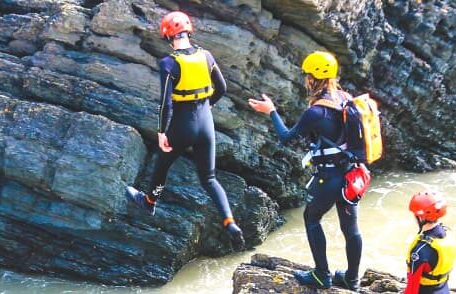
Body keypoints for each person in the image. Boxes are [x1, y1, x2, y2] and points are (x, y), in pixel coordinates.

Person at [124, 11, 244, 250]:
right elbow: (222, 88)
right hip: (205, 123)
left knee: (162, 164)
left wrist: (161, 132)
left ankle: (149, 201)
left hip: (182, 125)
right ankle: (229, 222)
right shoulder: (206, 56)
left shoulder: (169, 63)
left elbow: (166, 104)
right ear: (189, 31)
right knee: (209, 179)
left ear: (168, 36)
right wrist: (205, 107)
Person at [247, 51, 363, 290]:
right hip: (351, 174)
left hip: (330, 177)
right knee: (350, 228)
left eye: (307, 75)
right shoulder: (344, 98)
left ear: (313, 78)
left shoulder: (315, 112)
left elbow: (286, 137)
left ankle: (322, 274)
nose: (306, 79)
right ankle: (352, 279)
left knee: (311, 219)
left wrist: (271, 111)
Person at [405, 191, 456, 294]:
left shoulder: (420, 250)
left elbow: (412, 288)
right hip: (444, 290)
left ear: (421, 217)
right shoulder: (447, 234)